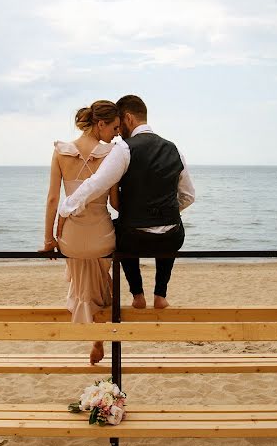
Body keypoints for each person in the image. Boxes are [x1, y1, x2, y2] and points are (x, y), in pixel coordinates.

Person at [58, 95, 195, 310]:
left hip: (134, 238)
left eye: (120, 125)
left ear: (129, 118)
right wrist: (165, 212)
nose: (119, 131)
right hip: (170, 238)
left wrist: (67, 207)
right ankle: (160, 295)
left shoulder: (124, 149)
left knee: (120, 232)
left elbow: (97, 183)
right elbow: (188, 196)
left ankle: (138, 295)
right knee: (170, 230)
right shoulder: (173, 148)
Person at [40, 100, 121, 365]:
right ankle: (99, 337)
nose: (116, 133)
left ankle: (94, 334)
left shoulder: (61, 152)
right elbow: (115, 203)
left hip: (71, 238)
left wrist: (49, 239)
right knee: (102, 284)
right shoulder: (111, 154)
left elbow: (53, 199)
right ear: (100, 124)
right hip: (101, 236)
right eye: (114, 127)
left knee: (82, 282)